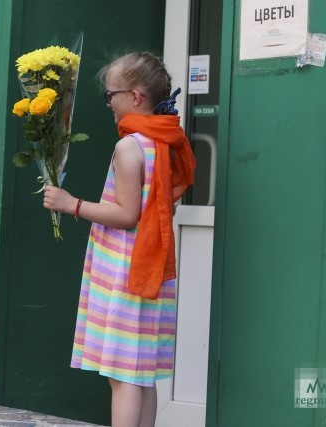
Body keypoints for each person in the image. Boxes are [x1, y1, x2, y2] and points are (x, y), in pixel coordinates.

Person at [43, 52, 196, 427]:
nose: (109, 102)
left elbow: (127, 214)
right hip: (150, 269)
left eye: (111, 95)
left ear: (135, 97)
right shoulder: (162, 141)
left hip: (127, 271)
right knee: (139, 371)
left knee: (121, 374)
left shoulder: (130, 147)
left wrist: (70, 204)